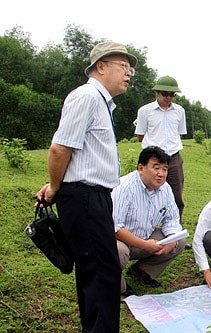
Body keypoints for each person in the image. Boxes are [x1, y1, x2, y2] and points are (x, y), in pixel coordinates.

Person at [36, 41, 137, 332]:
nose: (129, 72)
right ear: (101, 67)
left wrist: (59, 184)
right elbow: (60, 148)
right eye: (123, 65)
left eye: (130, 68)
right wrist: (55, 187)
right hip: (84, 198)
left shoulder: (101, 102)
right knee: (103, 273)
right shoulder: (87, 97)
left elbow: (79, 155)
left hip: (94, 197)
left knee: (94, 271)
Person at [112, 146, 186, 297]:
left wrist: (171, 240)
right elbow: (115, 228)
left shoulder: (165, 189)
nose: (161, 174)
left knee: (180, 241)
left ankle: (142, 272)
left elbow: (172, 219)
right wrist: (145, 244)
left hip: (146, 238)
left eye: (165, 169)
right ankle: (118, 288)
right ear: (141, 168)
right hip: (122, 240)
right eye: (156, 167)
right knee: (118, 251)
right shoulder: (124, 187)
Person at [135, 75, 187, 219]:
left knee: (176, 196)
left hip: (173, 158)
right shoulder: (145, 111)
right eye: (165, 93)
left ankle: (175, 229)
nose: (168, 97)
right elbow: (140, 135)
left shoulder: (179, 111)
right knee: (145, 192)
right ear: (157, 93)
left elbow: (179, 133)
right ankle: (143, 225)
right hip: (152, 158)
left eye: (172, 94)